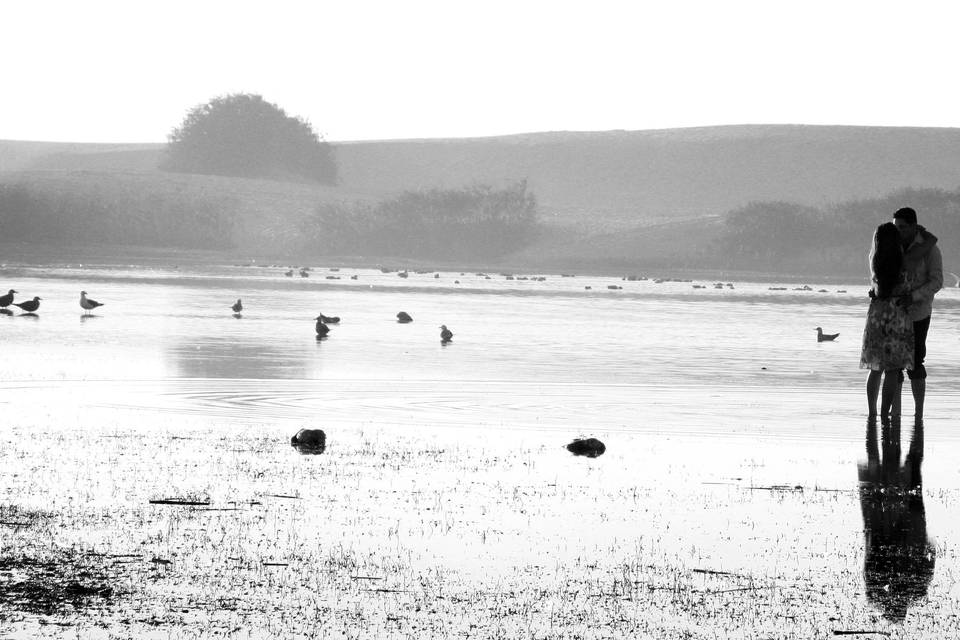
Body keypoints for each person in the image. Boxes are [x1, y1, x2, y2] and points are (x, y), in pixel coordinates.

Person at [893, 207, 943, 423]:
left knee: (915, 361)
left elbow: (937, 281)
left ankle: (919, 414)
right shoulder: (891, 244)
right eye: (896, 227)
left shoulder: (930, 249)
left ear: (914, 226)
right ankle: (895, 413)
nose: (899, 231)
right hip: (893, 312)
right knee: (893, 363)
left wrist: (914, 296)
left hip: (918, 312)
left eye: (902, 227)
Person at [860, 222, 914, 419]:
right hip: (897, 317)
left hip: (877, 316)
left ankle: (872, 412)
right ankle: (884, 414)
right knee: (892, 370)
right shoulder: (902, 263)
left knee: (875, 368)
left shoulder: (874, 261)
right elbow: (906, 289)